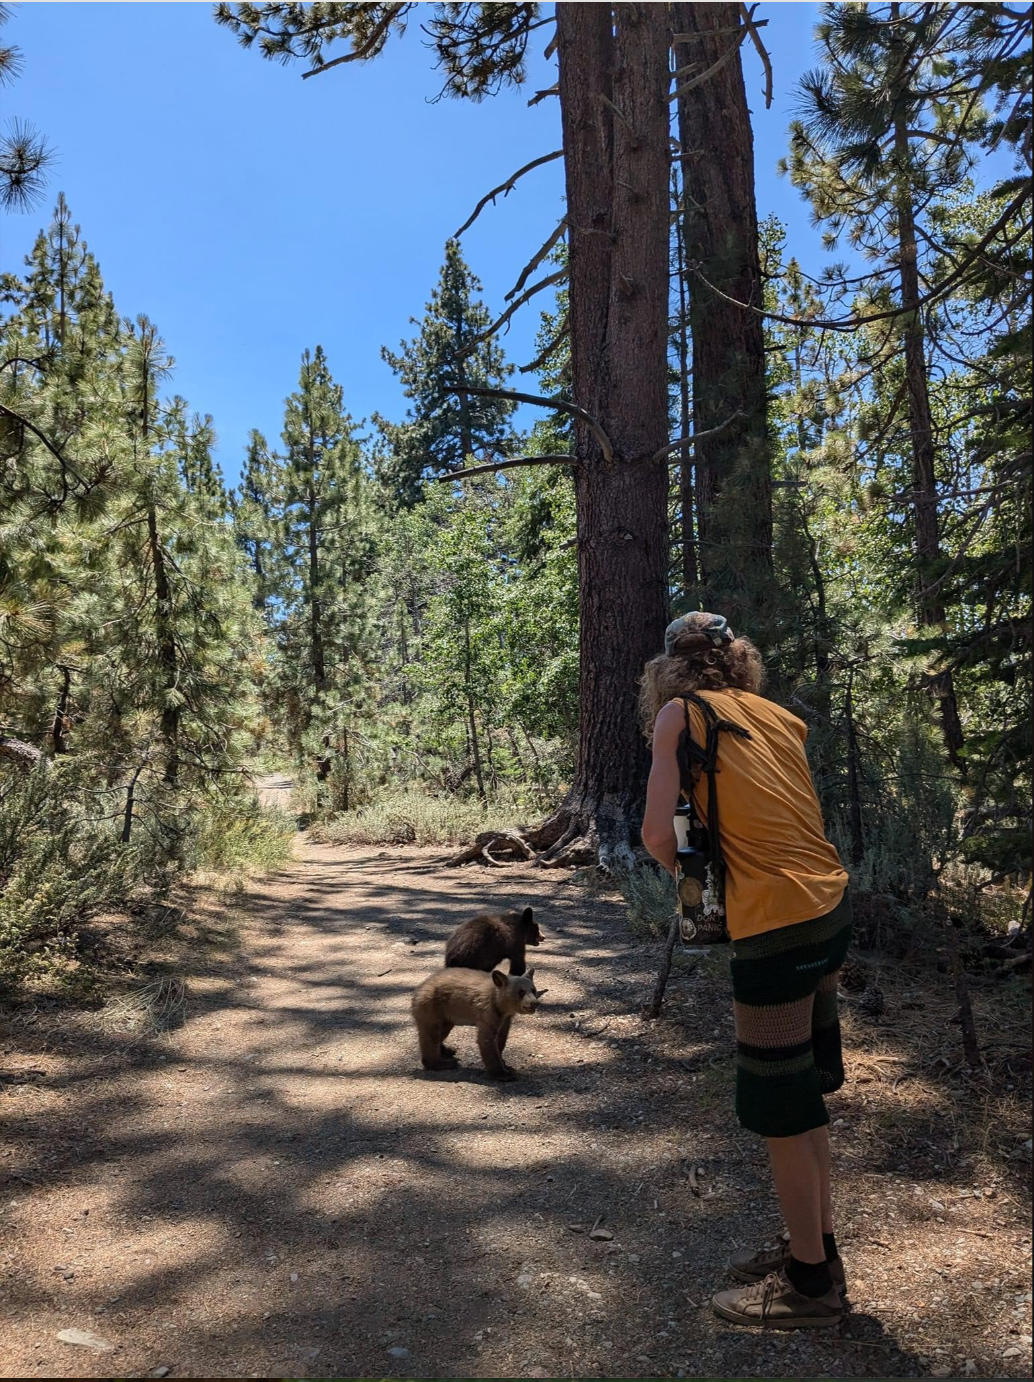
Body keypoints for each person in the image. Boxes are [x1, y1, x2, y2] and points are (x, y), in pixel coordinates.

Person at [640, 610, 852, 1329]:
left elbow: (652, 833)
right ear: (735, 659)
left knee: (781, 1112)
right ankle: (813, 1251)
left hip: (777, 928)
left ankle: (812, 1287)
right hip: (830, 907)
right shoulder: (776, 715)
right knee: (804, 1095)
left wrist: (696, 885)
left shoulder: (678, 714)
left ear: (674, 666)